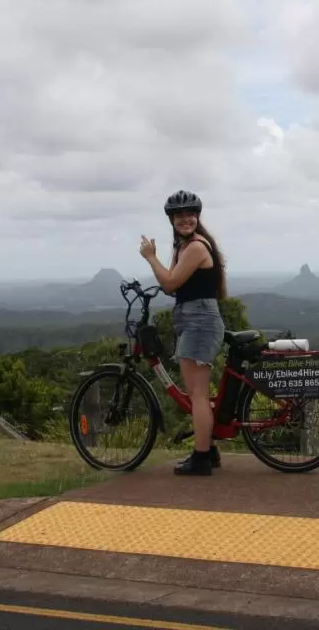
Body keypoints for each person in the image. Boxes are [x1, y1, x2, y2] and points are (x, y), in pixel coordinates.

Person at [139, 189, 227, 476]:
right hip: (192, 318)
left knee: (198, 394)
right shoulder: (183, 246)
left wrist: (150, 258)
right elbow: (172, 283)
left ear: (197, 217)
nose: (185, 219)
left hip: (199, 320)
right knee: (198, 392)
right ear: (171, 219)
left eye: (190, 214)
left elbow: (171, 284)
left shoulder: (196, 247)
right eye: (179, 215)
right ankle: (209, 449)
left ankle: (201, 458)